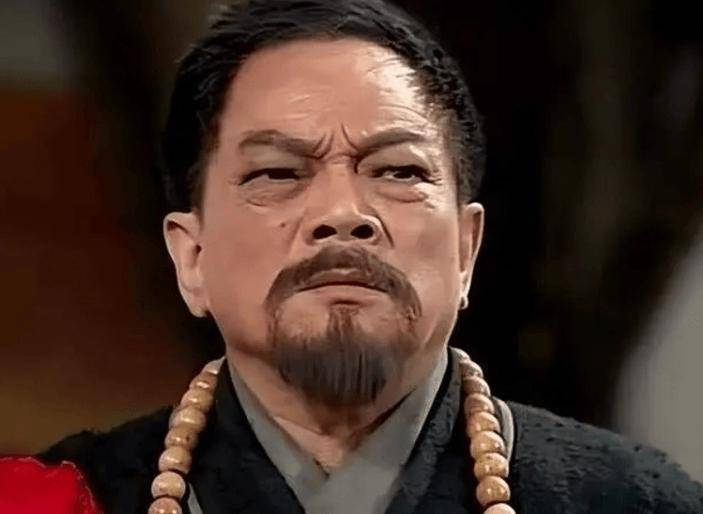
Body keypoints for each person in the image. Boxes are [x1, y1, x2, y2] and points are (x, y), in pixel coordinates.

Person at [12, 0, 702, 513]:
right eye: (277, 173)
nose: (342, 213)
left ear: (466, 249)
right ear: (191, 257)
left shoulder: (632, 502)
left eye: (398, 171)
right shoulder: (59, 501)